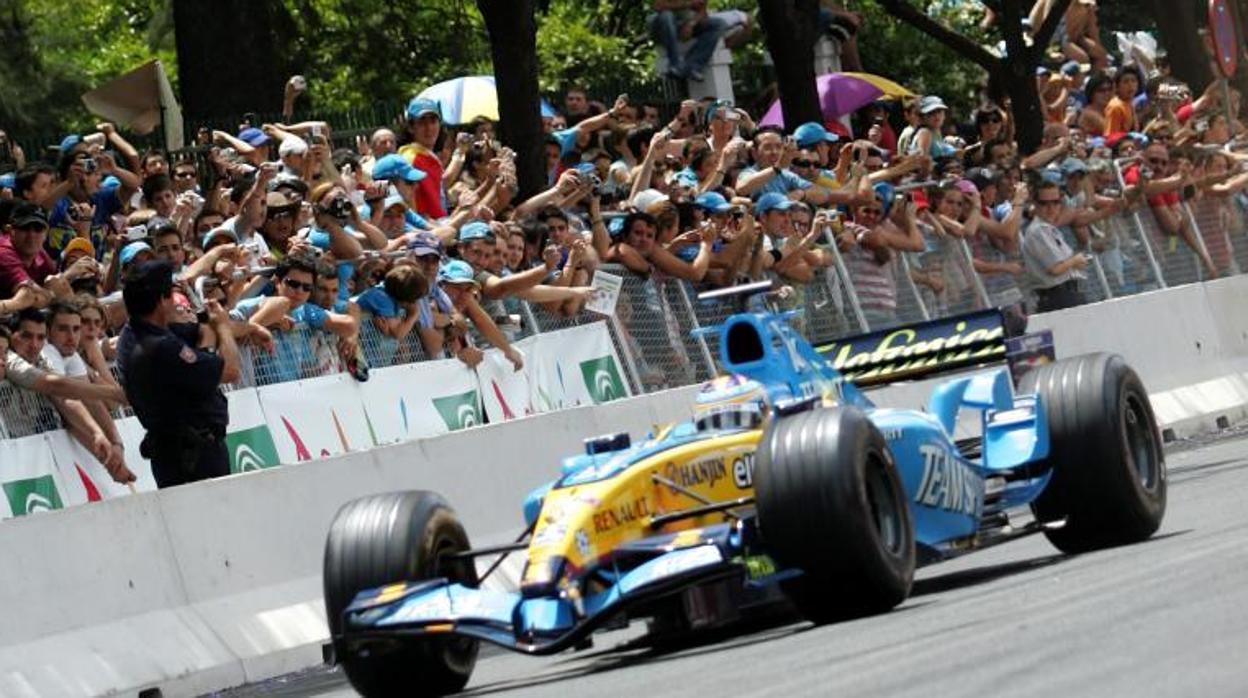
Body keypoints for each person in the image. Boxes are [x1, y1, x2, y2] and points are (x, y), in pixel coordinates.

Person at [117, 260, 240, 488]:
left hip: (172, 453)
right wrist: (223, 326)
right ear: (161, 301)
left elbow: (198, 329)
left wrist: (248, 328)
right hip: (193, 458)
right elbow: (231, 370)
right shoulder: (162, 347)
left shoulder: (131, 336)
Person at [1022, 181, 1089, 312]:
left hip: (1067, 294)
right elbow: (1055, 269)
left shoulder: (1049, 229)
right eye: (1044, 203)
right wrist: (1075, 261)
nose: (1051, 208)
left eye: (1055, 202)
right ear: (1035, 204)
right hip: (1057, 297)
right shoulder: (1038, 230)